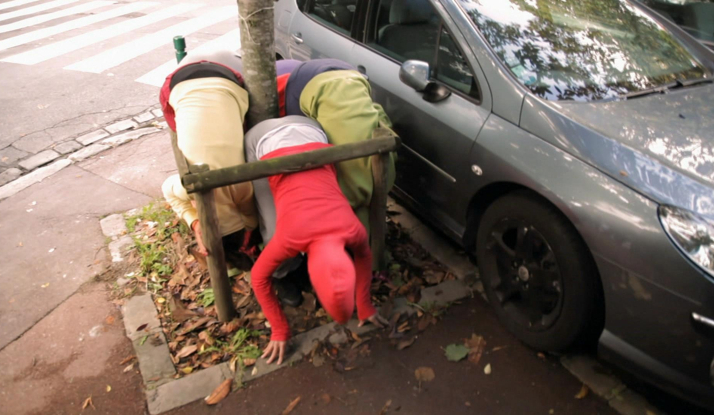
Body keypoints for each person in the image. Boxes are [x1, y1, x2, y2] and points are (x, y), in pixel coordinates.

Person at [247, 116, 389, 365]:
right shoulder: (290, 238)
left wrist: (363, 304)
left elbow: (364, 256)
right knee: (269, 232)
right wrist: (279, 329)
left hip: (309, 129)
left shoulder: (352, 228)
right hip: (264, 139)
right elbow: (258, 278)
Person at [276, 59, 397, 234]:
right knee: (358, 179)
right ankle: (364, 248)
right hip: (348, 77)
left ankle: (357, 246)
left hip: (322, 86)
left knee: (352, 183)